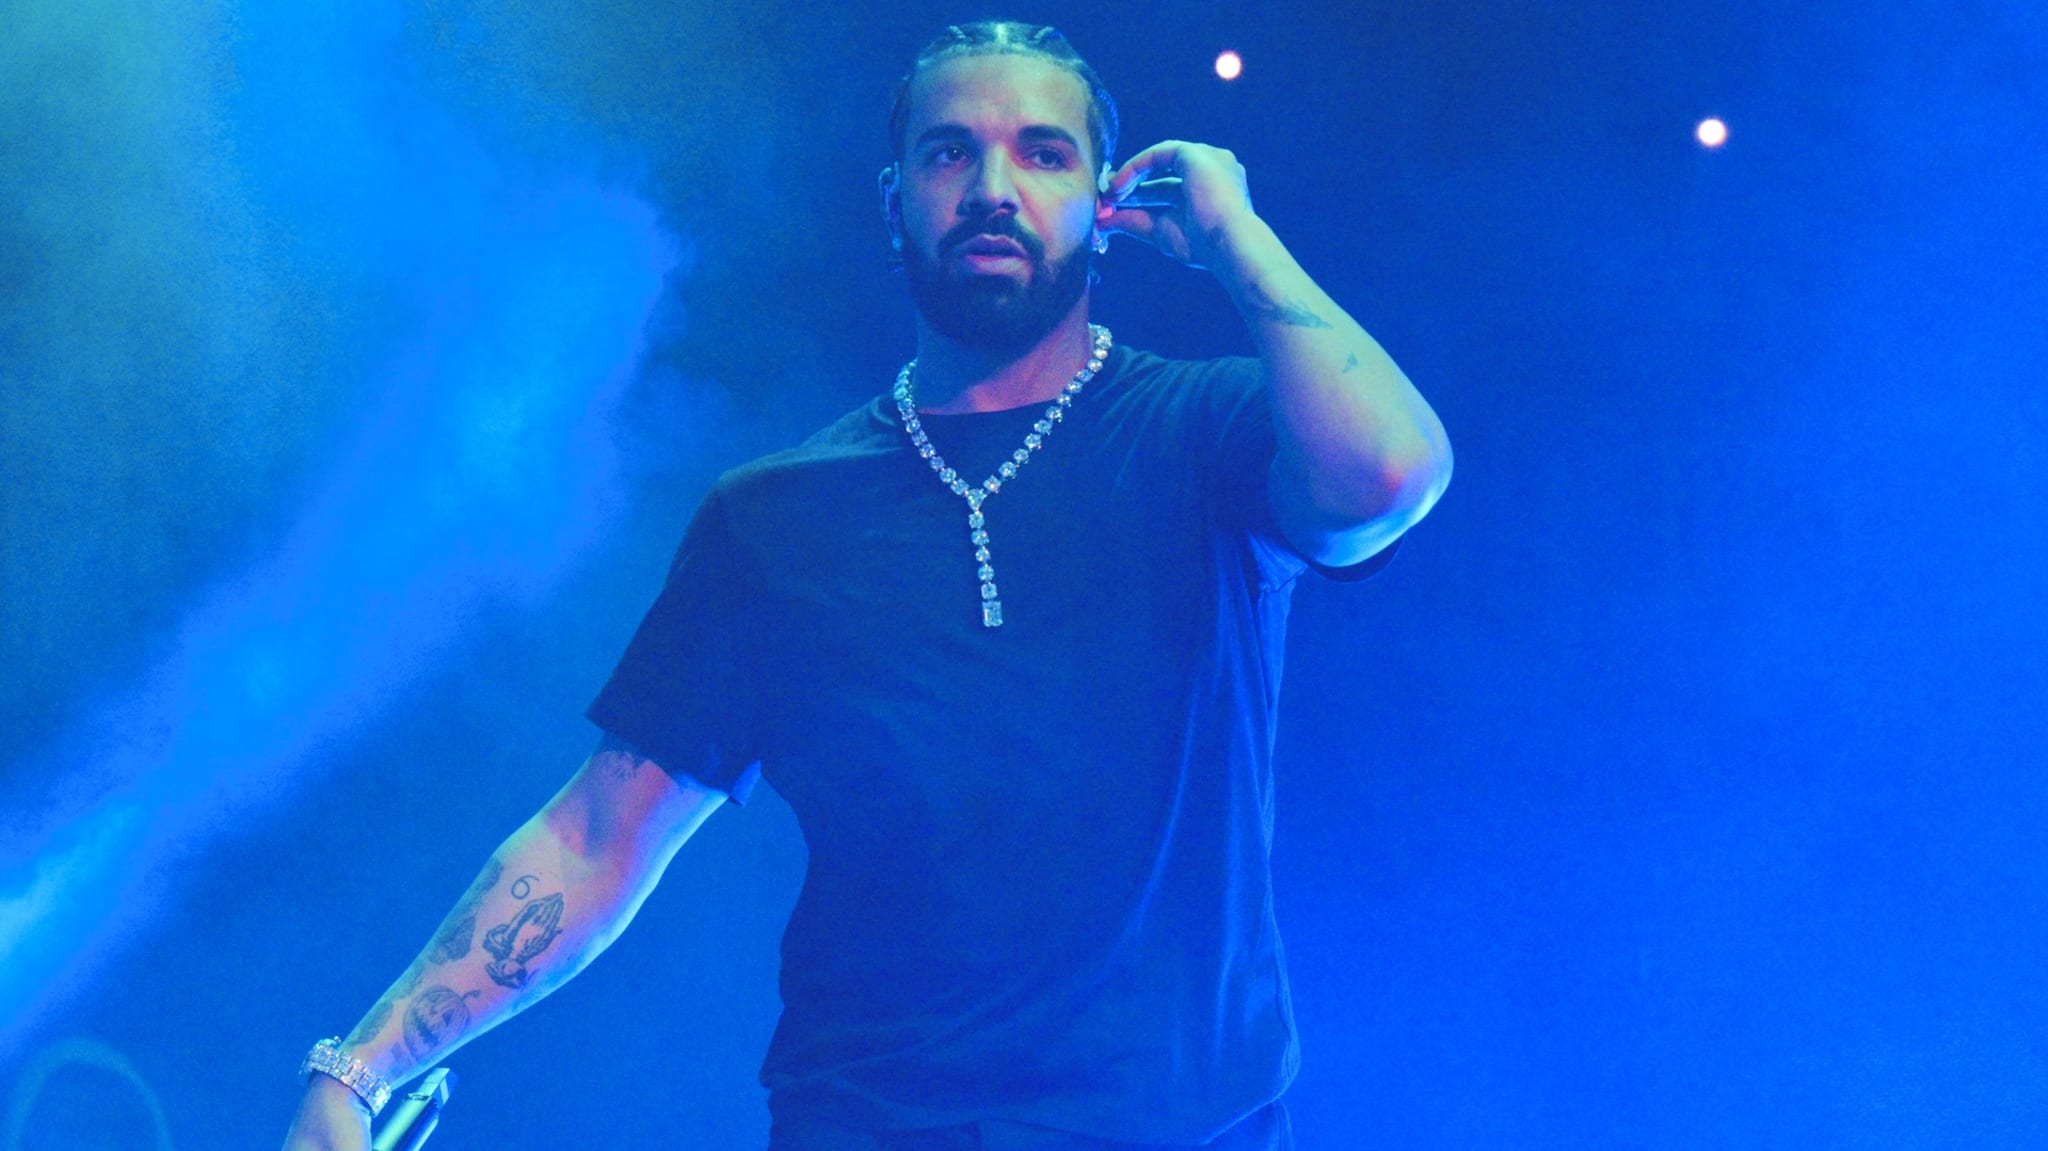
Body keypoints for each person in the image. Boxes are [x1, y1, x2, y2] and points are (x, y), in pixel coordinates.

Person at [282, 20, 1450, 1151]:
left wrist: (1235, 234)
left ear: (1108, 207)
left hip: (1182, 1125)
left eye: (1043, 152)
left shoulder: (1206, 429)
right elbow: (597, 836)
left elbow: (1387, 476)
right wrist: (360, 1065)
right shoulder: (776, 517)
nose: (993, 185)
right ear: (893, 199)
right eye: (950, 151)